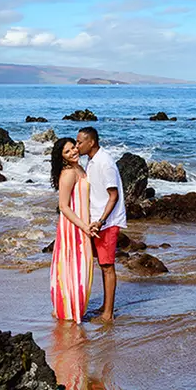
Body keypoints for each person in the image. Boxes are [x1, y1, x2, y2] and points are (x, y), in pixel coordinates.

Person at [75, 126, 126, 322]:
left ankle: (108, 314)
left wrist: (101, 221)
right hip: (96, 220)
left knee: (107, 266)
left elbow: (114, 196)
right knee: (102, 265)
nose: (77, 145)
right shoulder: (92, 160)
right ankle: (105, 306)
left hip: (107, 222)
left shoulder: (105, 162)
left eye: (80, 142)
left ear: (92, 142)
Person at [49, 137, 96, 322]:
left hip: (82, 224)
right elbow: (63, 206)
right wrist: (84, 226)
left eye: (73, 148)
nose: (73, 152)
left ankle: (74, 307)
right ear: (62, 157)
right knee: (74, 266)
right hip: (74, 227)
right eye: (67, 152)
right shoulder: (68, 172)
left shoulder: (79, 168)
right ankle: (68, 311)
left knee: (81, 266)